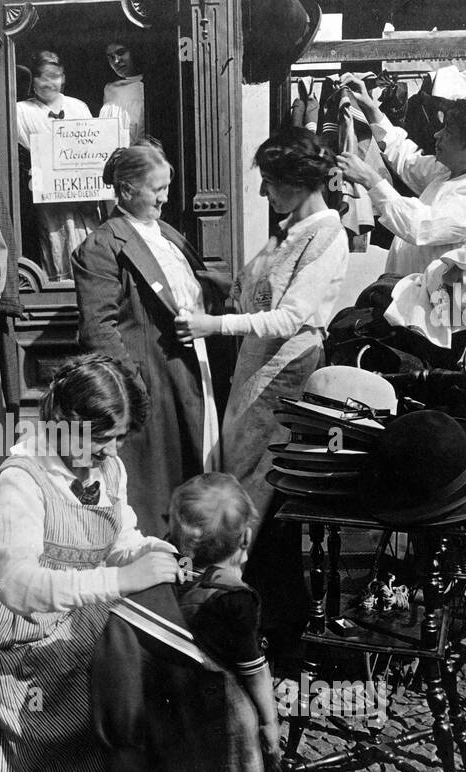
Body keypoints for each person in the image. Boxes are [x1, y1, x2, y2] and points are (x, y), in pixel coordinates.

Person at [0, 353, 182, 772]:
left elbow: (118, 537)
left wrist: (152, 551)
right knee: (121, 674)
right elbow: (18, 588)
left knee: (141, 666)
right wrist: (121, 582)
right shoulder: (22, 477)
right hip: (13, 641)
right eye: (103, 440)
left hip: (72, 622)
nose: (113, 451)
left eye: (118, 439)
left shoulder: (106, 467)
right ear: (66, 426)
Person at [175, 128, 349, 538]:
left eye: (269, 183)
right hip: (258, 367)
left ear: (297, 182)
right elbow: (262, 297)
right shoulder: (291, 230)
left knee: (260, 484)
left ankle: (248, 579)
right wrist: (224, 283)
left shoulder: (327, 235)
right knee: (244, 473)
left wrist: (214, 325)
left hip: (286, 369)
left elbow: (289, 318)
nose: (262, 193)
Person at [72, 139, 232, 537]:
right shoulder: (102, 245)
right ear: (126, 190)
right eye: (156, 189)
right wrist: (133, 388)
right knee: (157, 485)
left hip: (193, 368)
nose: (164, 197)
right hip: (153, 380)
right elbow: (98, 329)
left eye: (165, 187)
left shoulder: (167, 234)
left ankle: (193, 560)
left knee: (200, 468)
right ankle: (157, 572)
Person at [167, 473, 283, 772]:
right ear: (246, 540)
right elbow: (254, 670)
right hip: (225, 719)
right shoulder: (237, 600)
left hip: (179, 707)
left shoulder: (174, 581)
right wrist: (270, 721)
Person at [335, 75, 466, 277]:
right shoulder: (450, 172)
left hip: (451, 305)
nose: (437, 135)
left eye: (448, 133)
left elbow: (419, 225)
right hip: (420, 295)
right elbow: (408, 160)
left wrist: (370, 179)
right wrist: (372, 110)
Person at [16, 50, 101, 280]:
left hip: (81, 193)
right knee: (56, 240)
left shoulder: (78, 107)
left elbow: (94, 147)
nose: (48, 82)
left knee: (86, 237)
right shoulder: (21, 111)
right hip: (49, 196)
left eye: (55, 76)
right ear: (33, 80)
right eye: (42, 76)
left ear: (63, 79)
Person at [100, 40, 146, 141]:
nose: (116, 61)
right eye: (111, 57)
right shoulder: (109, 90)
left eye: (121, 53)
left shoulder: (147, 88)